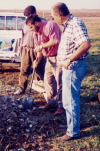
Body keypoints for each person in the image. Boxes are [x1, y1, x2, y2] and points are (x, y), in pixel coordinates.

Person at [51, 3, 91, 141]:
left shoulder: (75, 24)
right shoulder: (68, 25)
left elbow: (86, 44)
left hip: (74, 66)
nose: (53, 19)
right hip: (70, 67)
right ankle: (71, 125)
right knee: (68, 100)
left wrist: (69, 59)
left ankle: (73, 132)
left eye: (53, 16)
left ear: (59, 15)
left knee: (70, 100)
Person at [25, 14, 65, 115]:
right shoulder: (36, 33)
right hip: (49, 58)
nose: (31, 29)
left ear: (37, 23)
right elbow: (39, 50)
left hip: (59, 57)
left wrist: (42, 46)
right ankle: (51, 102)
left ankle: (61, 106)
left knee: (60, 83)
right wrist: (37, 61)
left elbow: (55, 41)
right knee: (48, 81)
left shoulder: (51, 25)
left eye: (31, 27)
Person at [14, 5, 46, 95]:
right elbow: (23, 36)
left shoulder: (43, 22)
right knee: (24, 70)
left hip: (38, 50)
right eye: (26, 17)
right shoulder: (25, 23)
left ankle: (42, 89)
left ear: (35, 13)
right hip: (26, 49)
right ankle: (21, 88)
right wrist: (20, 48)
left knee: (40, 71)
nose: (27, 18)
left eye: (29, 16)